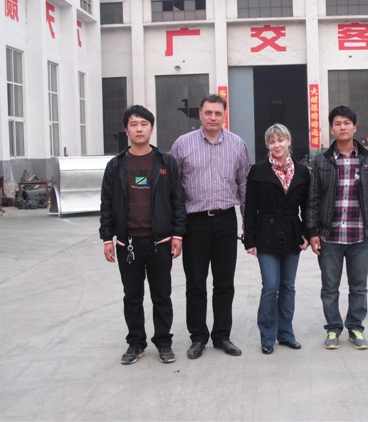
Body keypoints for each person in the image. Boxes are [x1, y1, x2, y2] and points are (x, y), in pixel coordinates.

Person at [99, 105, 186, 365]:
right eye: (134, 124)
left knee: (162, 296)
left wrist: (178, 235)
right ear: (126, 130)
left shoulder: (166, 162)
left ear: (152, 128)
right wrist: (107, 238)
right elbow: (106, 204)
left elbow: (178, 200)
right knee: (132, 296)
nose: (139, 129)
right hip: (128, 244)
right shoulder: (116, 165)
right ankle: (136, 343)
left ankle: (164, 342)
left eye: (144, 124)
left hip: (160, 242)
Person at [170, 94, 251, 359]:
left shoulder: (237, 144)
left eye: (218, 113)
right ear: (200, 115)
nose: (213, 118)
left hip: (226, 220)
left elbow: (244, 185)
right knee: (195, 282)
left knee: (224, 282)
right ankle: (198, 337)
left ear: (224, 115)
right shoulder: (183, 144)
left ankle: (222, 336)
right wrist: (176, 228)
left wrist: (247, 221)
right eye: (208, 113)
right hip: (195, 222)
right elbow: (174, 188)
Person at [306, 105, 368, 350]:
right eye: (338, 124)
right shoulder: (322, 161)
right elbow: (313, 199)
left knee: (358, 287)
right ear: (332, 129)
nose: (342, 127)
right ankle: (333, 328)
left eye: (347, 123)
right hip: (329, 236)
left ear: (354, 127)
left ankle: (355, 327)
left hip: (359, 236)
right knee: (329, 288)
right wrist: (312, 232)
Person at [243, 124, 310, 355]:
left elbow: (307, 207)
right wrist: (250, 240)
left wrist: (307, 233)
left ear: (288, 141)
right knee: (271, 286)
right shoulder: (257, 171)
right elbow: (249, 208)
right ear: (267, 145)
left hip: (292, 233)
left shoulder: (302, 172)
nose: (276, 145)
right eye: (272, 142)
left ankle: (286, 333)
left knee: (288, 286)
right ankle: (267, 335)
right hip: (266, 234)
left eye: (280, 140)